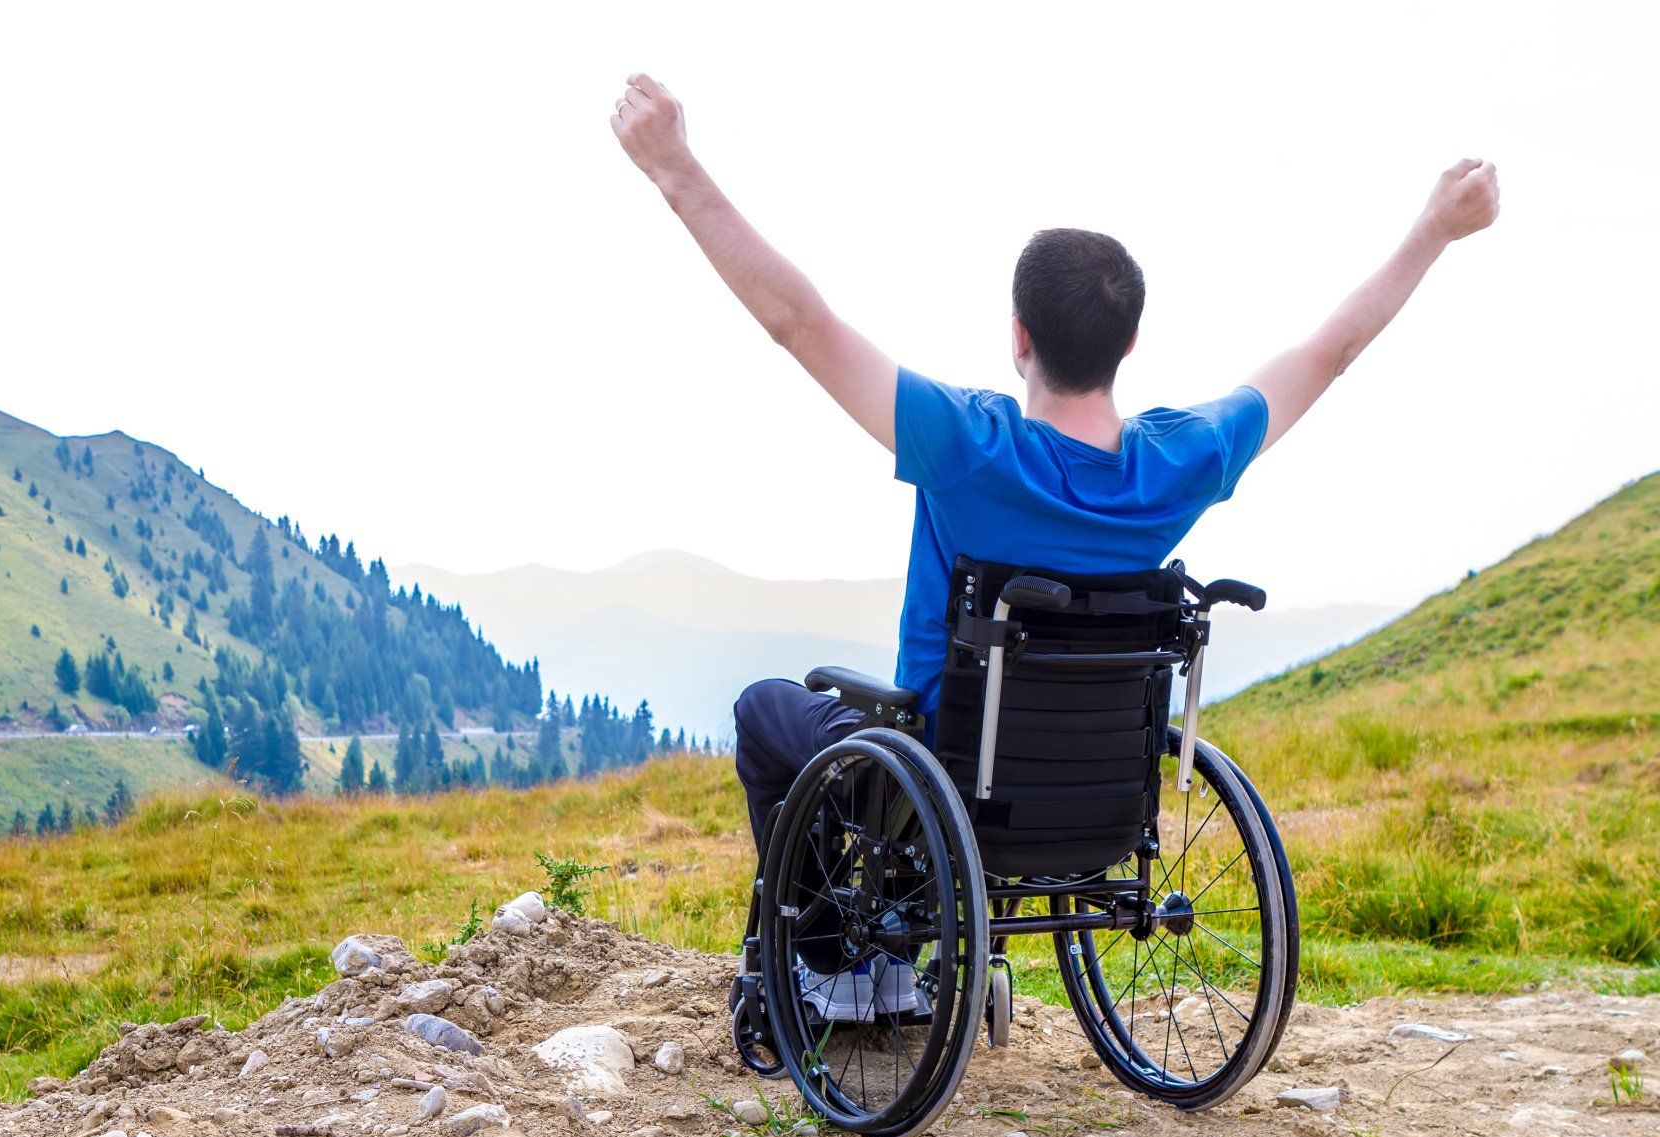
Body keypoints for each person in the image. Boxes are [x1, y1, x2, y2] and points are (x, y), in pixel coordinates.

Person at [609, 73, 1500, 854]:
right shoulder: (1178, 462)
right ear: (1131, 342)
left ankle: (831, 960)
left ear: (1019, 338)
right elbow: (1329, 352)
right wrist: (1435, 228)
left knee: (768, 709)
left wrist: (673, 168)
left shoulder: (967, 445)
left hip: (936, 782)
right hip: (1094, 798)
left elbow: (796, 322)